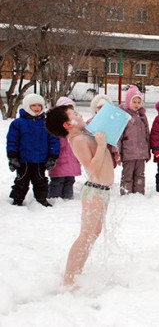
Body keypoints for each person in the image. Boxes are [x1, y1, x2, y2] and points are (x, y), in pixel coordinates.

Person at [45, 104, 115, 288]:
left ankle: (77, 271)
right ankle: (69, 278)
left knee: (93, 234)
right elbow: (91, 168)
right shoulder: (77, 141)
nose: (80, 115)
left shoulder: (83, 135)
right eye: (75, 114)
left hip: (102, 191)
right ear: (67, 124)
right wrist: (101, 146)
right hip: (94, 191)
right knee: (85, 235)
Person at [7, 93, 60, 207]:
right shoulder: (18, 123)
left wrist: (53, 156)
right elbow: (12, 141)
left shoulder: (46, 123)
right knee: (21, 180)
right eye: (33, 105)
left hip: (41, 159)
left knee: (40, 181)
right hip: (23, 159)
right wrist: (12, 157)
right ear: (27, 106)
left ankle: (42, 199)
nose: (37, 108)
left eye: (39, 105)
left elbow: (54, 140)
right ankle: (18, 199)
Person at [118, 85, 150, 195]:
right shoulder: (123, 116)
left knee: (140, 175)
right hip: (129, 153)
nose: (136, 105)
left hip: (141, 153)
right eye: (134, 102)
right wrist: (118, 152)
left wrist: (148, 151)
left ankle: (139, 194)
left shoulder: (142, 116)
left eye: (138, 102)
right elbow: (119, 136)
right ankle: (126, 193)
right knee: (127, 175)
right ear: (128, 102)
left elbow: (147, 134)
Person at [48, 97, 81, 200]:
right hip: (59, 161)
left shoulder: (75, 128)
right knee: (58, 180)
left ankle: (68, 198)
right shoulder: (56, 128)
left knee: (70, 180)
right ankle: (54, 198)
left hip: (71, 161)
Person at [88, 94, 120, 167]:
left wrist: (116, 152)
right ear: (95, 109)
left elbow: (116, 139)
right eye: (100, 108)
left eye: (105, 108)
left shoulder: (112, 123)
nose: (102, 110)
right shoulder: (90, 124)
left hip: (108, 154)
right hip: (95, 154)